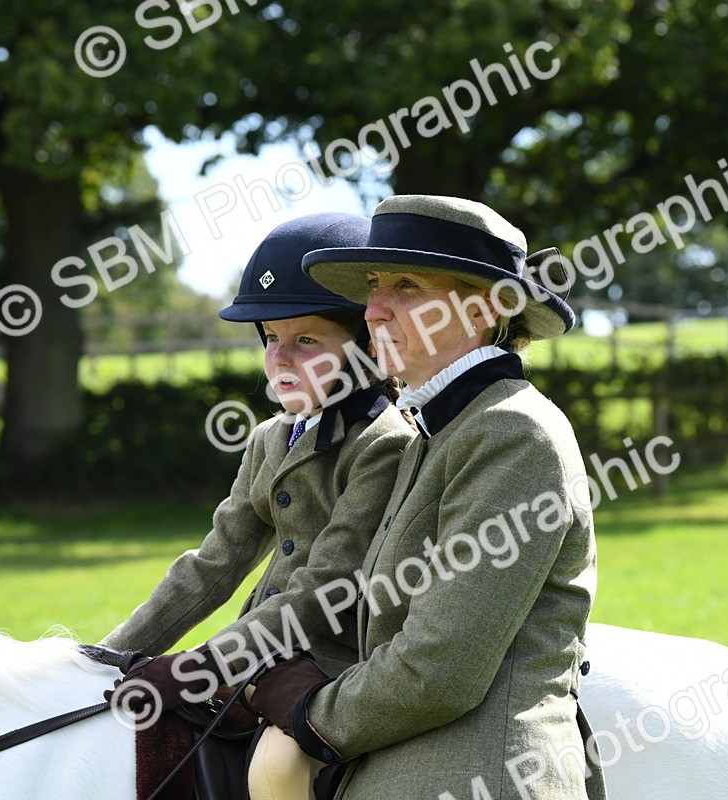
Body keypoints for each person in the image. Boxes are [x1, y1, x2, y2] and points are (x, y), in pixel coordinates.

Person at [248, 195, 607, 800]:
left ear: (484, 308)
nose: (374, 310)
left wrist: (311, 712)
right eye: (373, 285)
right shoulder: (436, 431)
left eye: (406, 286)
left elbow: (439, 668)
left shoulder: (513, 433)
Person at [99, 213, 415, 799]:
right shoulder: (271, 437)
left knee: (278, 764)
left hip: (335, 658)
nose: (280, 360)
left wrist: (206, 664)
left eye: (306, 342)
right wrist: (116, 653)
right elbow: (215, 562)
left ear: (369, 346)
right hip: (255, 652)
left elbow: (328, 584)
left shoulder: (385, 444)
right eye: (271, 339)